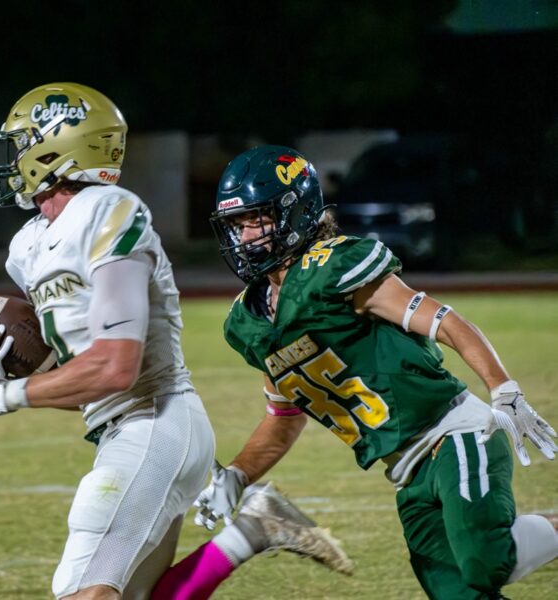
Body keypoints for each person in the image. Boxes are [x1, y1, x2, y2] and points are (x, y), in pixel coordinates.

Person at [0, 85, 349, 600]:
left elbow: (117, 368)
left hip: (155, 424)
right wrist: (26, 374)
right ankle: (254, 530)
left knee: (84, 595)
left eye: (23, 142)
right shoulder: (26, 247)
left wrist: (9, 395)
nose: (15, 157)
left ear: (57, 145)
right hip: (127, 427)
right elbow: (91, 378)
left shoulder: (108, 212)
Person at [182, 144, 558, 599]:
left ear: (294, 212)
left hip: (454, 434)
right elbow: (282, 419)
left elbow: (444, 321)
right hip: (404, 471)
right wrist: (237, 474)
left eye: (255, 220)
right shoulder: (247, 321)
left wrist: (503, 388)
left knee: (486, 561)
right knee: (460, 594)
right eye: (236, 225)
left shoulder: (334, 266)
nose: (244, 237)